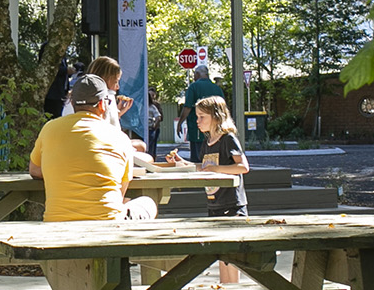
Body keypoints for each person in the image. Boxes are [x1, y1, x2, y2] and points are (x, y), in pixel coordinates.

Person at [28, 75, 158, 222]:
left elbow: (34, 170)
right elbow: (119, 193)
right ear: (103, 104)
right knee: (148, 203)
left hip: (57, 224)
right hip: (108, 225)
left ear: (72, 102)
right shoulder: (120, 138)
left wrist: (62, 171)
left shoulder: (49, 129)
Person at [184, 95, 249, 283]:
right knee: (220, 252)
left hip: (232, 203)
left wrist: (217, 169)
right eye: (197, 117)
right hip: (214, 203)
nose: (198, 121)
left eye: (202, 116)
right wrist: (182, 164)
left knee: (231, 253)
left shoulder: (228, 139)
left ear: (216, 116)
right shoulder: (206, 142)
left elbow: (243, 167)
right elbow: (204, 167)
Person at [178, 63, 226, 160]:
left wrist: (180, 122)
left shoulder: (193, 87)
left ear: (197, 74)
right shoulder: (217, 89)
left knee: (198, 158)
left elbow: (188, 107)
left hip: (197, 130)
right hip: (215, 130)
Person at [145, 89, 163, 161]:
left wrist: (155, 125)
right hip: (143, 129)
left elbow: (159, 116)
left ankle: (151, 159)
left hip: (151, 128)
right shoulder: (142, 106)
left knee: (151, 146)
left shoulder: (153, 106)